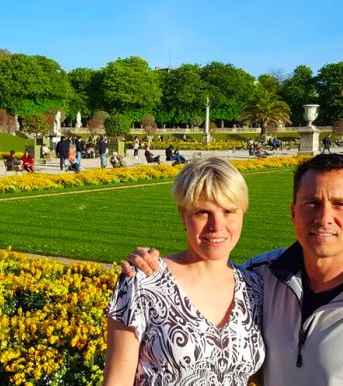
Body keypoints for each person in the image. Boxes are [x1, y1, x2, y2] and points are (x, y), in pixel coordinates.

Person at [124, 153, 343, 385]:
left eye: (341, 205)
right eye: (311, 204)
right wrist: (153, 268)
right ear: (293, 212)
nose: (324, 218)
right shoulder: (260, 277)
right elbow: (207, 275)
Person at [104, 157, 265, 385]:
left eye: (229, 211)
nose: (216, 225)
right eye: (202, 212)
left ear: (242, 214)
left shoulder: (254, 288)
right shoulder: (143, 282)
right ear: (183, 214)